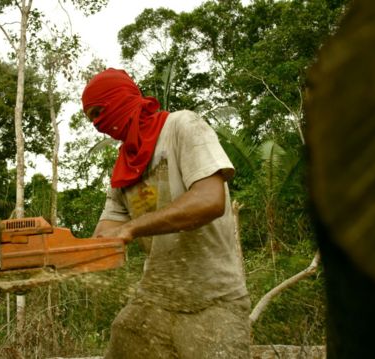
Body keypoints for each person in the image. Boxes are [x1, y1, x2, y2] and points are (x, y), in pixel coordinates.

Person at [82, 68, 251, 359]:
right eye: (91, 118)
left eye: (100, 112)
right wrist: (48, 258)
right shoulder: (122, 170)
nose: (98, 124)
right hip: (154, 300)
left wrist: (132, 228)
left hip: (213, 300)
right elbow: (105, 236)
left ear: (120, 98)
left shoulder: (182, 126)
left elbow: (210, 200)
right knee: (124, 334)